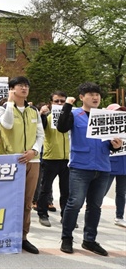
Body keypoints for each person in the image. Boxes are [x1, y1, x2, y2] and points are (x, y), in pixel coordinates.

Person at [56, 82, 122, 256]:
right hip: (80, 167)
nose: (95, 97)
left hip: (102, 166)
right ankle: (67, 238)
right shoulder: (75, 114)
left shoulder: (106, 116)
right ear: (81, 97)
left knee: (95, 206)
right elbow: (61, 127)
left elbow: (111, 144)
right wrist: (67, 105)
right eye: (91, 94)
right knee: (75, 203)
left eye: (97, 94)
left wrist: (117, 145)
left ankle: (89, 240)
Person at [0, 76, 44, 254]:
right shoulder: (3, 110)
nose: (24, 88)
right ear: (12, 89)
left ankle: (23, 237)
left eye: (26, 86)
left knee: (27, 202)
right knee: (8, 199)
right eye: (20, 86)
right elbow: (7, 125)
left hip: (32, 160)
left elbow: (40, 135)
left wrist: (34, 151)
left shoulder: (34, 111)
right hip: (11, 161)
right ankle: (5, 234)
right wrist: (9, 103)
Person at [36, 91, 70, 227]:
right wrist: (41, 114)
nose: (60, 104)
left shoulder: (70, 117)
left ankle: (66, 216)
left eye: (63, 101)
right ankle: (42, 214)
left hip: (67, 158)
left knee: (66, 190)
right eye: (57, 101)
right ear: (51, 103)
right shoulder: (47, 117)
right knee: (45, 188)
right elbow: (38, 129)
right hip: (50, 157)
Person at [105, 103, 126, 228]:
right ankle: (91, 214)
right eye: (117, 111)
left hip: (124, 164)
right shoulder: (105, 129)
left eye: (121, 111)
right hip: (110, 164)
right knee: (101, 192)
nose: (120, 113)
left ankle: (119, 216)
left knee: (121, 192)